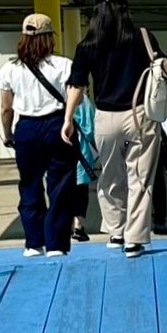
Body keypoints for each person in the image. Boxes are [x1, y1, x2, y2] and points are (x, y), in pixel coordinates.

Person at [63, 0, 165, 258]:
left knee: (110, 178)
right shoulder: (142, 37)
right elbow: (161, 69)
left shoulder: (87, 45)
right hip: (140, 114)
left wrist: (67, 119)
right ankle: (135, 239)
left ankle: (116, 231)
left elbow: (77, 85)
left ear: (96, 12)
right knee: (140, 178)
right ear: (125, 9)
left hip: (105, 118)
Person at [0, 13, 75, 257]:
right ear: (50, 37)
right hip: (56, 125)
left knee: (29, 185)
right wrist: (69, 121)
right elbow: (73, 96)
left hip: (26, 129)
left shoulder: (10, 69)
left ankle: (33, 243)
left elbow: (6, 108)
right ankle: (56, 244)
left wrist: (8, 135)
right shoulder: (64, 65)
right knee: (59, 185)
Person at [69, 93, 99, 243]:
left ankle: (64, 224)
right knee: (81, 190)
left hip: (60, 150)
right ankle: (78, 226)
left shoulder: (56, 97)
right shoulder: (83, 100)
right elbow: (90, 128)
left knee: (63, 190)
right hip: (81, 149)